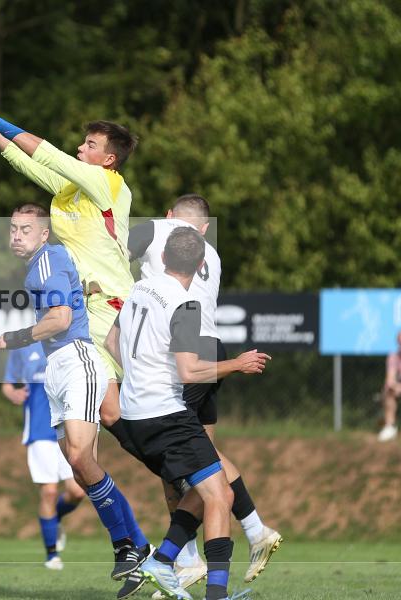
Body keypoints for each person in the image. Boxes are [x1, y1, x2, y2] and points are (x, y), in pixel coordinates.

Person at [0, 83, 137, 439]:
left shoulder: (108, 182)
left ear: (109, 160)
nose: (80, 148)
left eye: (90, 145)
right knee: (109, 412)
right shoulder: (72, 189)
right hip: (86, 309)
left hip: (112, 305)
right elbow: (24, 161)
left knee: (149, 403)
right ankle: (165, 461)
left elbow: (48, 154)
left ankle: (182, 458)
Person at [105, 227, 270, 600]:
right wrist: (237, 364)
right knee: (220, 496)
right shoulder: (186, 304)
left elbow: (111, 341)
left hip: (134, 415)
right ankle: (215, 594)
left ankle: (162, 561)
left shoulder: (138, 290)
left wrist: (139, 379)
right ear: (199, 266)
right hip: (166, 414)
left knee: (205, 487)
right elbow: (190, 371)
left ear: (163, 257)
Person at [0, 204, 149, 583]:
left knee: (80, 459)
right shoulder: (40, 265)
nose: (17, 235)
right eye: (13, 229)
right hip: (58, 369)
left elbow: (61, 319)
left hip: (76, 360)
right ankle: (138, 544)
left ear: (44, 233)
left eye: (26, 229)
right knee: (81, 470)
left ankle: (126, 546)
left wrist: (16, 337)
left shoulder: (47, 259)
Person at [1, 341, 86, 570]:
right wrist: (13, 393)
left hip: (68, 427)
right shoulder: (23, 346)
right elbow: (7, 384)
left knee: (77, 491)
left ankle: (53, 519)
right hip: (39, 430)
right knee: (49, 491)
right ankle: (52, 555)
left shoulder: (70, 341)